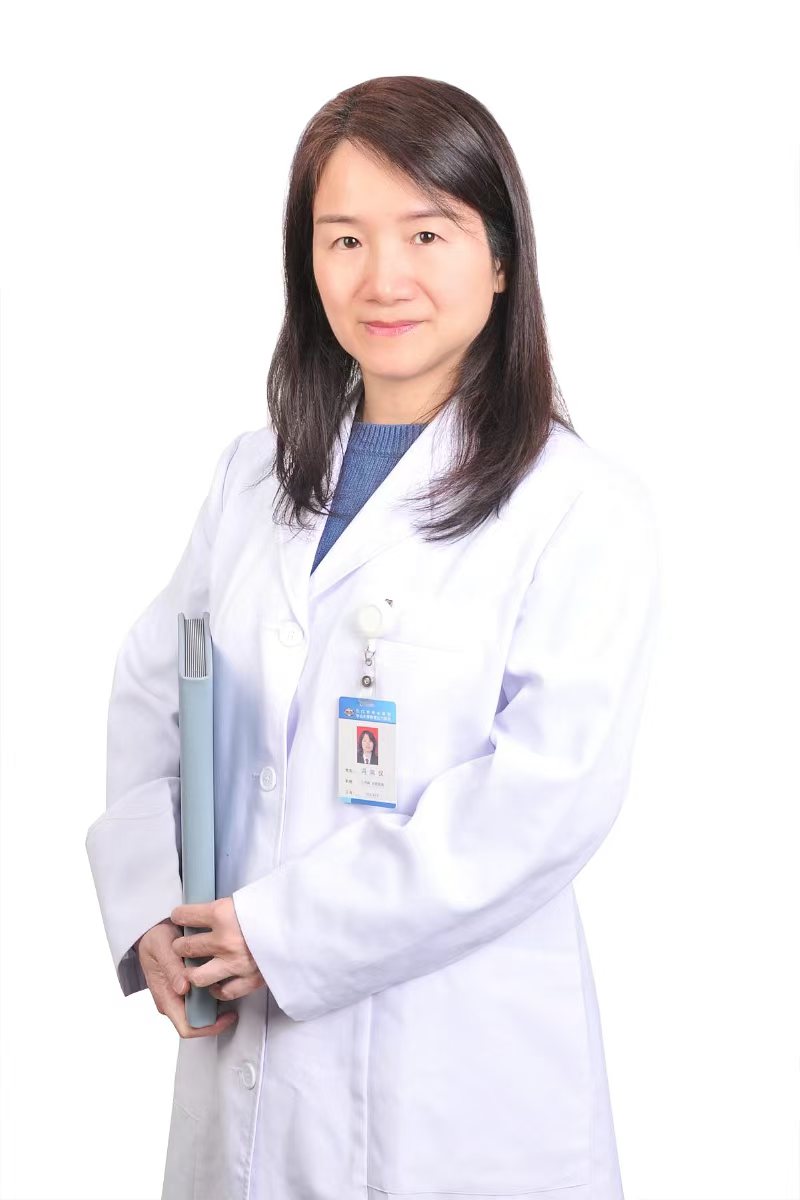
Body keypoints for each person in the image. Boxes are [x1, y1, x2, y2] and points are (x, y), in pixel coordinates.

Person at [85, 74, 661, 1200]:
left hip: (455, 1081)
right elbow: (156, 685)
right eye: (343, 238)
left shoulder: (579, 507)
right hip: (240, 1051)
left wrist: (284, 933)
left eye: (426, 234)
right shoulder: (253, 476)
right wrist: (152, 899)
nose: (381, 278)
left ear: (501, 258)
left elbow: (543, 800)